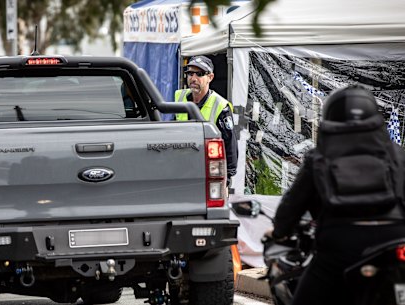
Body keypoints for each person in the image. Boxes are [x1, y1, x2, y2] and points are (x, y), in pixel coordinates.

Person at [266, 85, 405, 305]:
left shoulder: (319, 157)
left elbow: (291, 206)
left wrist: (279, 232)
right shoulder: (398, 154)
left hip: (340, 245)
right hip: (395, 242)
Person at [174, 55, 238, 182]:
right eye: (190, 73)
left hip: (209, 175)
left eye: (199, 74)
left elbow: (230, 144)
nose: (193, 78)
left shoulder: (220, 106)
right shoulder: (179, 97)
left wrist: (227, 178)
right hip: (182, 171)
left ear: (210, 77)